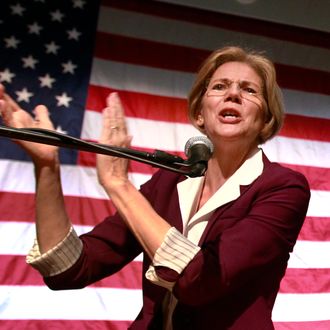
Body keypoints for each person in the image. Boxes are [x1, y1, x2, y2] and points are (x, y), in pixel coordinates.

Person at [0, 46, 310, 329]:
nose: (232, 95)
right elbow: (69, 268)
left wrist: (120, 186)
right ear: (200, 113)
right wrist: (46, 166)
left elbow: (200, 280)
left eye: (249, 90)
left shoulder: (283, 189)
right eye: (219, 86)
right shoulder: (168, 183)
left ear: (266, 119)